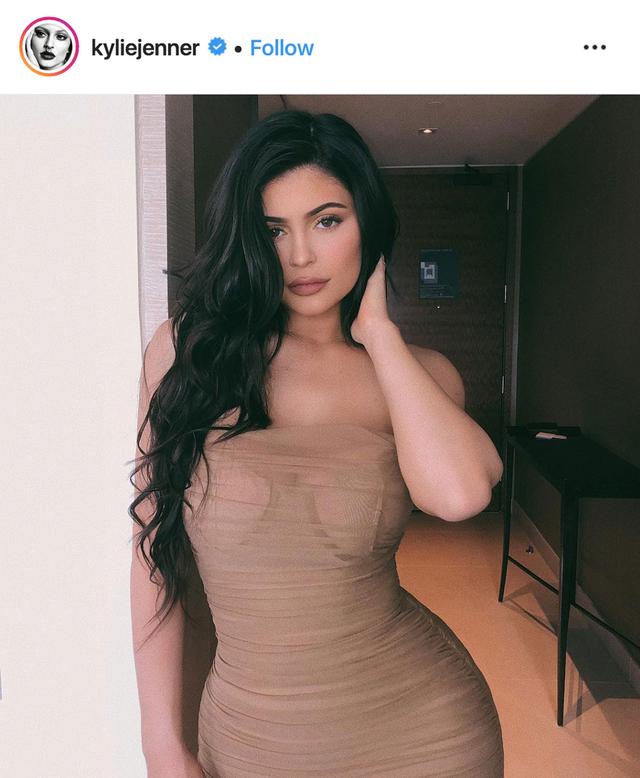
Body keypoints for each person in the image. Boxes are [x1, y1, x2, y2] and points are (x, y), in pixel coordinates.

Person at [130, 109, 505, 777]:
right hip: (250, 741)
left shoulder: (419, 375)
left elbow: (460, 496)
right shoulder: (189, 357)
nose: (300, 256)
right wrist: (161, 744)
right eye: (273, 229)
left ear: (369, 223)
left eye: (327, 221)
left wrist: (380, 335)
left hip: (422, 736)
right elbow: (151, 554)